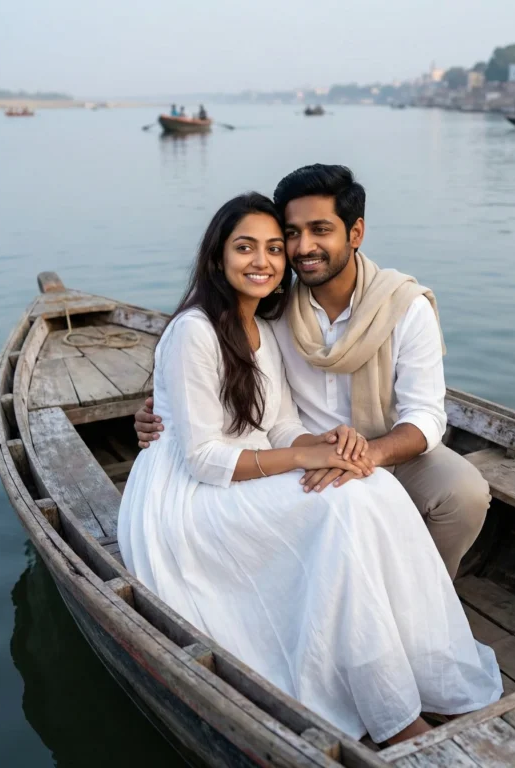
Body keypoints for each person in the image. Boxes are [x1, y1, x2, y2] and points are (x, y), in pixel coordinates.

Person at [119, 191, 502, 746]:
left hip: (287, 458)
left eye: (275, 247)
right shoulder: (201, 329)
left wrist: (333, 448)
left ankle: (424, 668)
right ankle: (391, 714)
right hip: (189, 494)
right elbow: (202, 456)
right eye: (248, 246)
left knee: (375, 492)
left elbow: (278, 423)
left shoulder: (272, 322)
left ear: (355, 233)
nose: (271, 258)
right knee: (341, 513)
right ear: (217, 257)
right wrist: (309, 454)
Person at [136, 165, 492, 581]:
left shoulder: (405, 307)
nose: (304, 247)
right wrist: (160, 417)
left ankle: (426, 594)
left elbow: (427, 415)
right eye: (291, 233)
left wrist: (365, 455)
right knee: (349, 501)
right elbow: (212, 380)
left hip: (385, 445)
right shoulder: (272, 307)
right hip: (298, 450)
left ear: (355, 233)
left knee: (464, 493)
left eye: (321, 230)